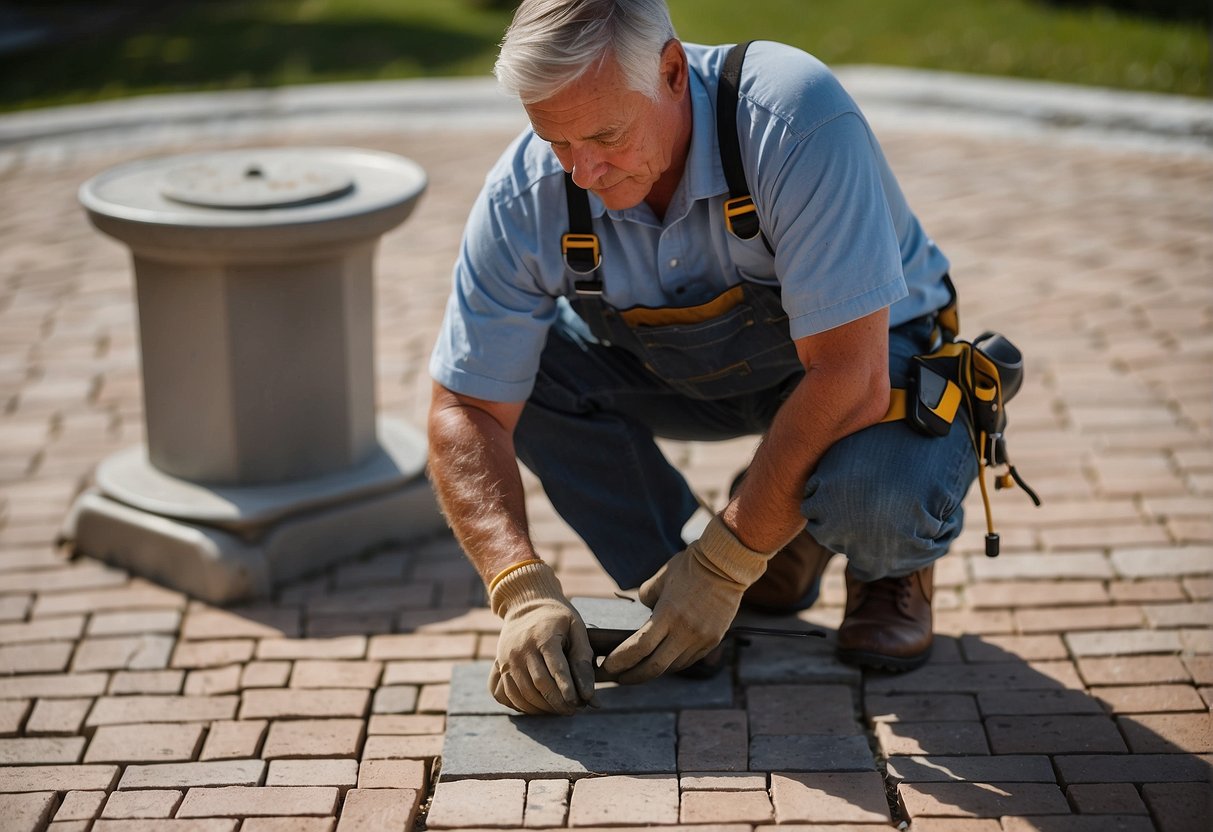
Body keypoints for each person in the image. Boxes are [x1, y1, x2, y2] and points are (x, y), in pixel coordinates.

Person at [427, 0, 976, 716]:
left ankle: (880, 570)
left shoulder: (792, 120)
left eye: (605, 134)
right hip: (682, 376)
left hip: (864, 361)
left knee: (872, 496)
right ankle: (677, 574)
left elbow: (848, 376)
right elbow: (464, 406)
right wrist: (518, 588)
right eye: (557, 141)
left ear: (672, 70)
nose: (583, 170)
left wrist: (725, 565)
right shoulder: (524, 190)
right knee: (516, 376)